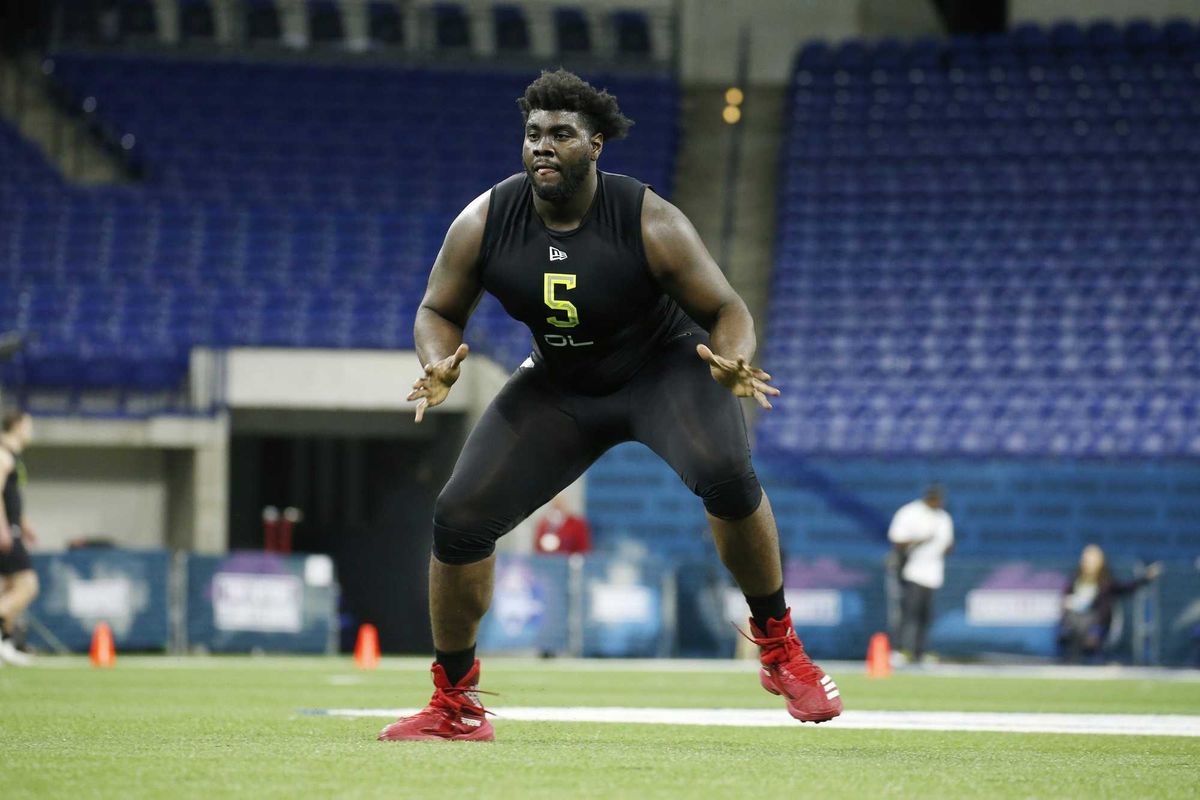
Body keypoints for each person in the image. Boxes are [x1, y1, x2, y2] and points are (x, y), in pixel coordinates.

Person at [378, 69, 842, 742]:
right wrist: (437, 359)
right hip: (562, 383)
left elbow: (727, 308)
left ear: (596, 145)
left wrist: (734, 359)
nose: (543, 146)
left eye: (561, 134)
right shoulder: (483, 220)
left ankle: (779, 648)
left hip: (662, 373)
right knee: (458, 519)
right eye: (534, 133)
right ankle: (454, 704)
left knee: (728, 476)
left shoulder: (649, 220)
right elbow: (437, 309)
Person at [1058, 543, 1162, 664]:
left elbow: (1127, 587)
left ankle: (1093, 641)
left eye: (1093, 558)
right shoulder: (1075, 578)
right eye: (1087, 558)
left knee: (1095, 623)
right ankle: (1067, 636)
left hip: (1096, 622)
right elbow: (1065, 597)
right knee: (1068, 618)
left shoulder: (1106, 581)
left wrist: (1146, 577)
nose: (1089, 562)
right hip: (1076, 621)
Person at [887, 484, 953, 665]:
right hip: (911, 570)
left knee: (925, 615)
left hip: (933, 573)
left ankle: (919, 652)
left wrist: (945, 547)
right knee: (909, 613)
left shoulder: (943, 518)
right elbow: (896, 539)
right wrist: (920, 540)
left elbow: (948, 543)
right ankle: (899, 649)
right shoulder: (910, 512)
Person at [0, 409, 38, 666]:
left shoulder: (14, 456)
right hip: (5, 531)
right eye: (29, 425)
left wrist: (23, 524)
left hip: (13, 528)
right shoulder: (3, 455)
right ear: (18, 425)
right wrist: (3, 528)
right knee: (28, 585)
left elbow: (11, 496)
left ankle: (5, 642)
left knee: (8, 586)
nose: (32, 431)